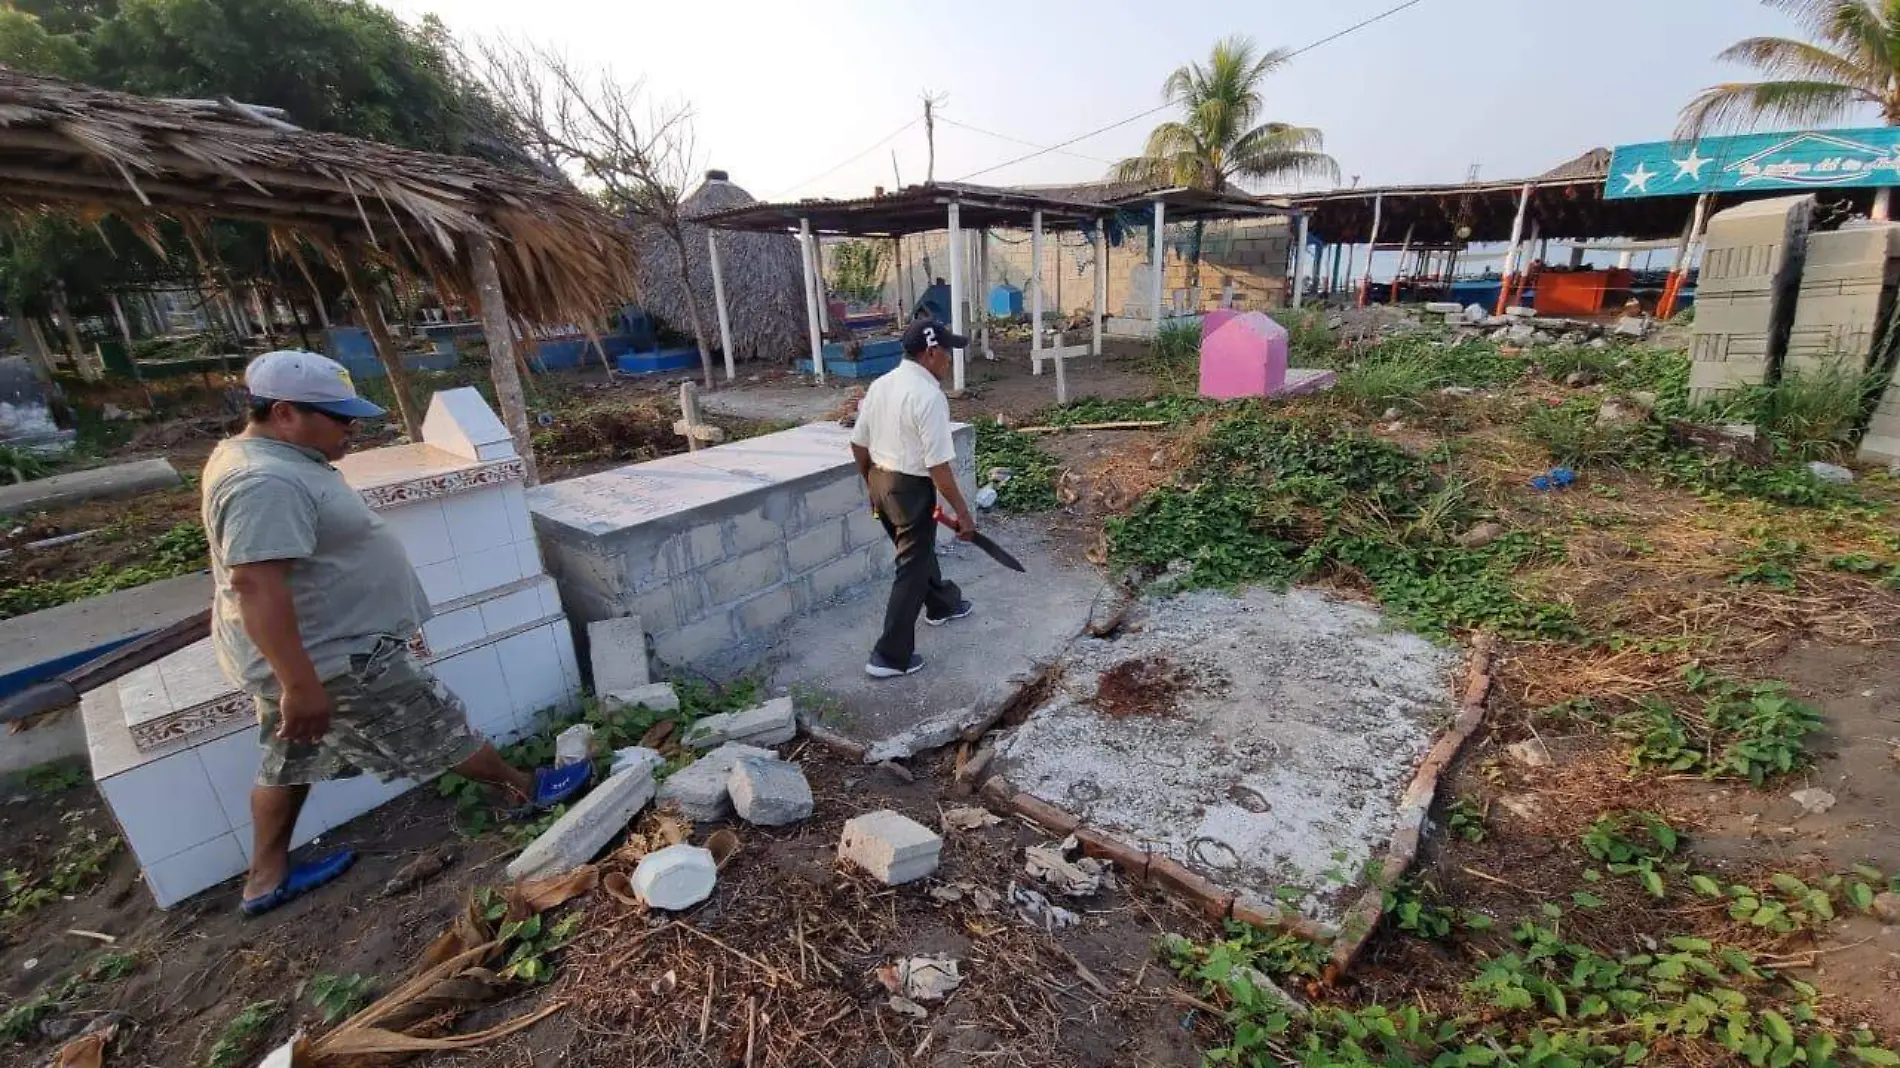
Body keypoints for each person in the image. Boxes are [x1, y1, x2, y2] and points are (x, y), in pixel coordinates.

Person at [203, 351, 590, 916]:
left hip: (313, 656)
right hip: (334, 661)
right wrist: (300, 684)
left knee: (287, 760)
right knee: (434, 726)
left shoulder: (269, 459)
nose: (351, 428)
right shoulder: (264, 482)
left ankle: (264, 880)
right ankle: (525, 791)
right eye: (337, 418)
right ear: (284, 413)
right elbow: (257, 586)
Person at [848, 319, 978, 678]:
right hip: (909, 489)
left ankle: (942, 604)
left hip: (879, 479)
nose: (950, 360)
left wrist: (873, 488)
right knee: (911, 567)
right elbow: (939, 467)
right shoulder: (929, 396)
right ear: (931, 353)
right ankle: (889, 657)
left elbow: (858, 444)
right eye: (947, 352)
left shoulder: (881, 385)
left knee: (917, 555)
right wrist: (964, 515)